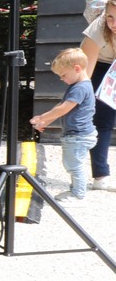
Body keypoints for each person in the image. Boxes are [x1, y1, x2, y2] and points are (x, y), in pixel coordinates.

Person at [30, 46, 97, 202]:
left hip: (78, 135)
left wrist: (41, 117)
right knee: (73, 164)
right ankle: (75, 191)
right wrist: (45, 121)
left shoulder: (80, 88)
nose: (62, 79)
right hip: (78, 135)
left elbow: (63, 109)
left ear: (77, 69)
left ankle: (78, 195)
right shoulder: (78, 86)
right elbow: (61, 107)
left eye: (63, 75)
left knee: (74, 166)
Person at [77, 0, 116, 190]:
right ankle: (100, 176)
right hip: (100, 65)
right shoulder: (98, 29)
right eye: (110, 17)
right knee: (103, 119)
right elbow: (85, 76)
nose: (114, 24)